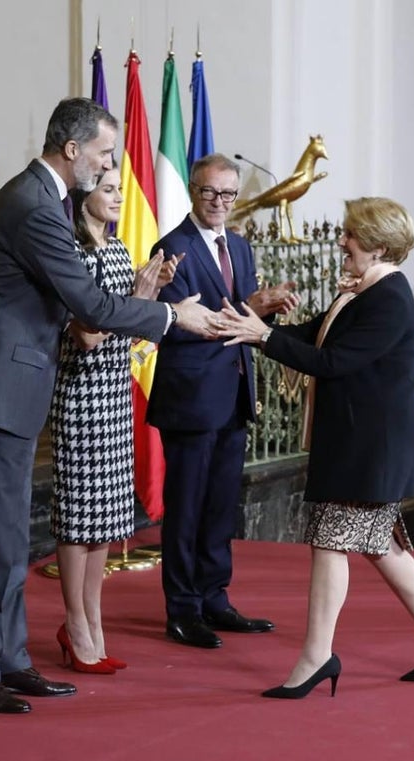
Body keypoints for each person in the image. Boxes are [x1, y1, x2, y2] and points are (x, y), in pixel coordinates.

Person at [0, 97, 221, 715]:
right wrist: (170, 315)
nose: (110, 165)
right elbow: (89, 304)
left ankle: (8, 660)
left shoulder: (48, 200)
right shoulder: (33, 205)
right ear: (72, 150)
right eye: (104, 153)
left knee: (8, 537)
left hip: (14, 391)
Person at [217, 197, 414, 696]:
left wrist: (262, 338)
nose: (341, 242)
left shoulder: (389, 297)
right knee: (379, 543)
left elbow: (333, 363)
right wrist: (256, 328)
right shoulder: (363, 291)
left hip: (372, 444)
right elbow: (313, 338)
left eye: (350, 235)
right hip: (361, 439)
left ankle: (317, 657)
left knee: (332, 541)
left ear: (377, 246)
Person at [148, 153, 299, 649]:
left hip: (234, 392)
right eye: (210, 192)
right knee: (187, 509)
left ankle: (214, 597)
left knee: (219, 507)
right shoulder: (172, 248)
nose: (219, 202)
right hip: (191, 398)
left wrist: (268, 310)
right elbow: (176, 327)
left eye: (228, 194)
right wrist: (249, 307)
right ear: (194, 191)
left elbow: (246, 323)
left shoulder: (240, 245)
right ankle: (182, 610)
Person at [49, 168, 178, 673]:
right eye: (109, 189)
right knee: (78, 516)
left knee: (104, 518)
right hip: (80, 394)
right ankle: (74, 621)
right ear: (84, 197)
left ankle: (92, 619)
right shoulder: (70, 254)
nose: (120, 197)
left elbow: (130, 329)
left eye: (121, 189)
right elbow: (86, 336)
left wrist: (151, 292)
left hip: (114, 394)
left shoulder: (121, 250)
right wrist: (137, 302)